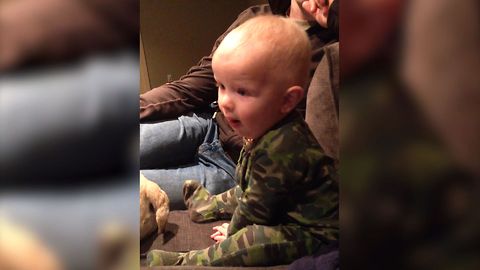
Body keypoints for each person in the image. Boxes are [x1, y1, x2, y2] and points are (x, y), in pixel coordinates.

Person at [147, 15, 339, 267]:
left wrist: (234, 229)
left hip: (311, 232)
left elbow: (256, 209)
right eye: (221, 86)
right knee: (242, 191)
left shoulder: (285, 146)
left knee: (251, 238)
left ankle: (187, 261)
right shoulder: (267, 126)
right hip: (266, 194)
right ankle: (209, 205)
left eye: (242, 91)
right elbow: (250, 187)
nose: (224, 101)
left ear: (287, 101)